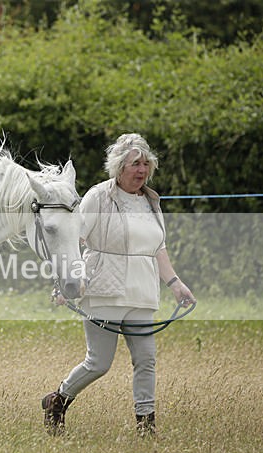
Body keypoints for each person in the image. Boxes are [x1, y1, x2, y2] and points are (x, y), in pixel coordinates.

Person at [42, 133, 195, 437]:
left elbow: (158, 248)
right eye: (135, 164)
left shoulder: (151, 201)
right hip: (103, 289)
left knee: (146, 359)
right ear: (119, 167)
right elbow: (73, 239)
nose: (142, 170)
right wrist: (66, 282)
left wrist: (176, 284)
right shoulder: (98, 196)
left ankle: (146, 426)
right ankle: (57, 400)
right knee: (99, 362)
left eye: (145, 164)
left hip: (142, 292)